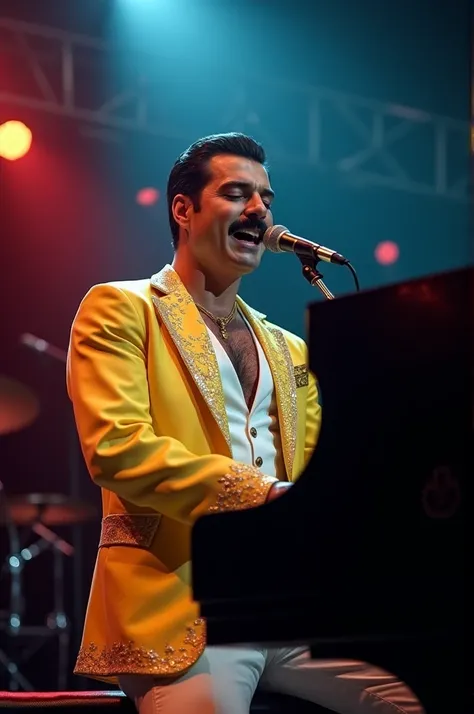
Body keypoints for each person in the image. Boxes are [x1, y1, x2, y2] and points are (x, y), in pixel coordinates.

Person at [67, 133, 423, 714]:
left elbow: (317, 471)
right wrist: (267, 496)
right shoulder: (122, 307)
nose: (260, 210)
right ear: (184, 209)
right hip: (184, 609)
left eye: (266, 197)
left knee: (420, 691)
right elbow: (118, 448)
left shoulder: (290, 348)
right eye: (237, 194)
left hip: (292, 607)